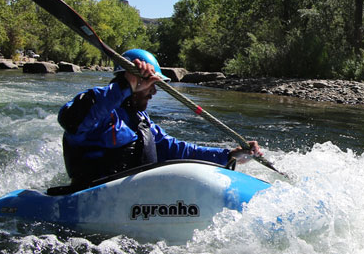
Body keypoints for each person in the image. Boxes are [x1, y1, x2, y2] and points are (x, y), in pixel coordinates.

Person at [57, 48, 262, 185]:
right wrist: (125, 86)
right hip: (90, 195)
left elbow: (175, 149)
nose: (153, 92)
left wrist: (228, 155)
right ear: (129, 80)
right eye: (150, 85)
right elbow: (71, 119)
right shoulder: (98, 112)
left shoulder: (140, 120)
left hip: (135, 199)